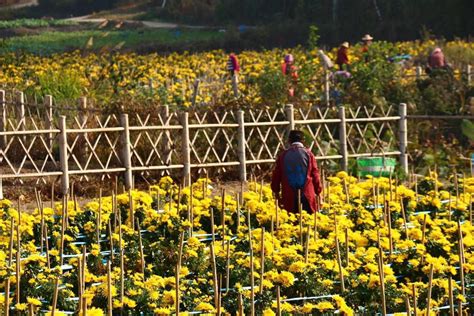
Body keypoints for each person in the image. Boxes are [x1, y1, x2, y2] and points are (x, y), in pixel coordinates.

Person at [271, 130, 322, 213]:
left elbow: (276, 175)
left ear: (289, 141)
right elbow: (315, 174)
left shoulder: (283, 155)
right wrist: (318, 192)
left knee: (291, 221)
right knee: (308, 221)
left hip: (289, 195)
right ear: (303, 140)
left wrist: (276, 191)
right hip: (307, 194)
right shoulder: (309, 154)